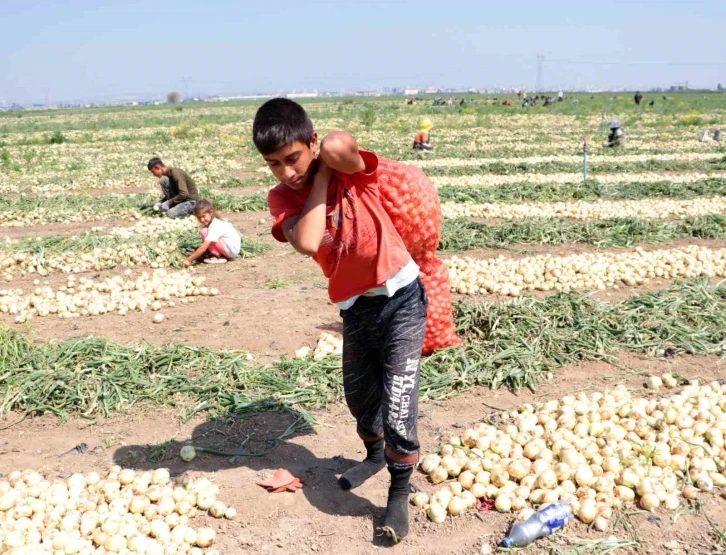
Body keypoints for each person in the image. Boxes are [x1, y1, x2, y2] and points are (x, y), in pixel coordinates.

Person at [253, 98, 428, 541]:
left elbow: (339, 145)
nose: (287, 172)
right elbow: (310, 240)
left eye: (293, 158)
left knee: (399, 406)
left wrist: (329, 161)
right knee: (359, 398)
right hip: (356, 307)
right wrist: (318, 177)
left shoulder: (350, 169)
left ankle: (398, 492)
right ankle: (372, 456)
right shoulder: (281, 198)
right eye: (274, 164)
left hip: (402, 297)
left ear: (310, 144)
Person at [183, 199, 241, 266]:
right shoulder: (216, 222)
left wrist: (188, 260)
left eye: (203, 216)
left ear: (211, 212)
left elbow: (203, 248)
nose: (202, 220)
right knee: (205, 232)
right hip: (232, 249)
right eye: (199, 217)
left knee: (204, 232)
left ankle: (217, 256)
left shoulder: (214, 226)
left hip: (230, 251)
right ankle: (217, 253)